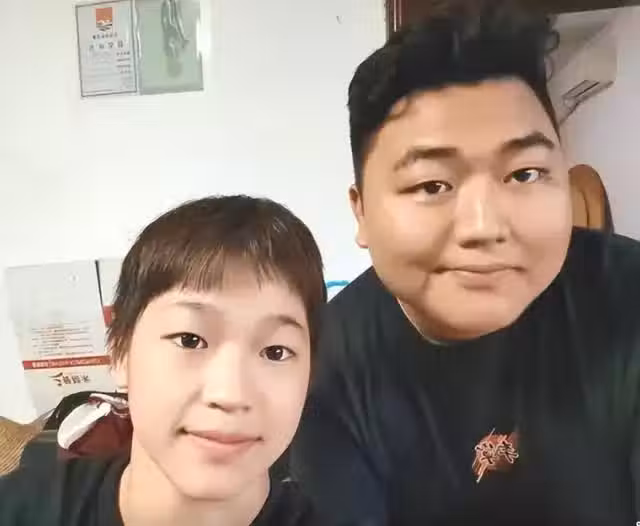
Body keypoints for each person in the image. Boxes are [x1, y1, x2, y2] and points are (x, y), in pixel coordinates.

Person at [291, 1, 640, 524]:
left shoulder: (628, 296)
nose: (484, 226)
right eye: (433, 185)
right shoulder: (320, 375)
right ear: (361, 212)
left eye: (523, 174)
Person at [0, 195, 327, 526]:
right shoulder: (20, 508)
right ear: (120, 352)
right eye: (190, 340)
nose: (230, 394)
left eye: (275, 352)